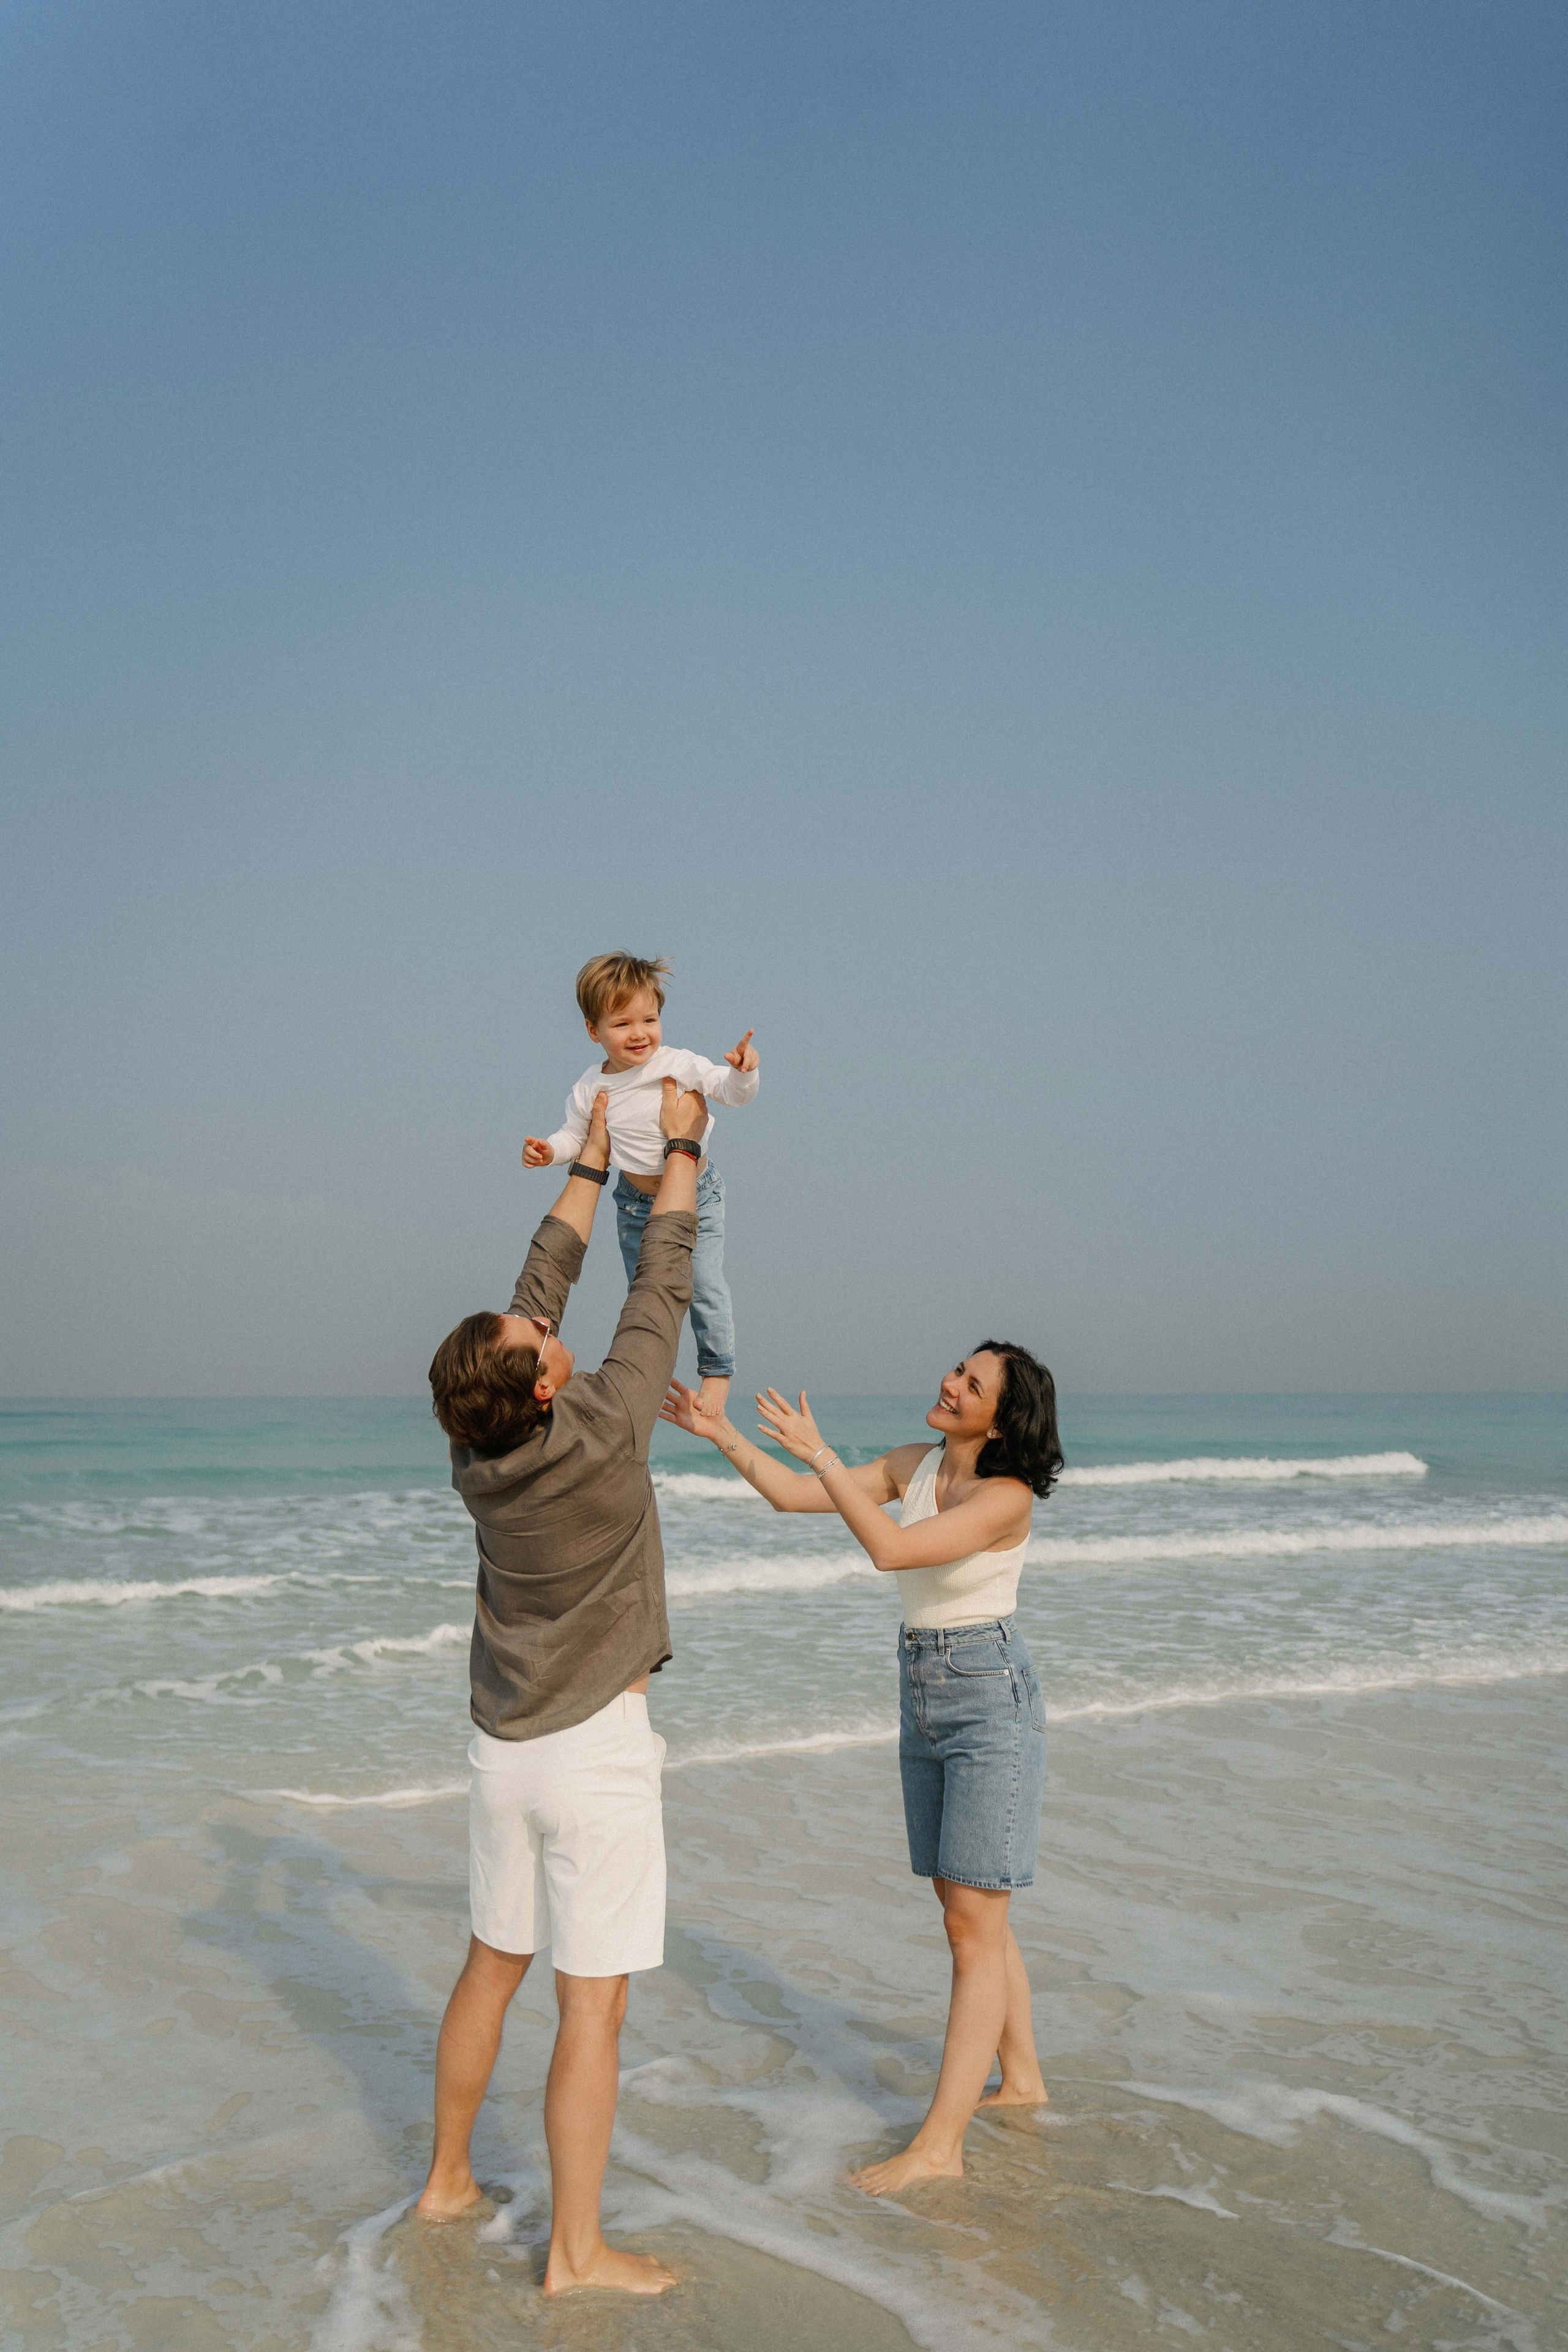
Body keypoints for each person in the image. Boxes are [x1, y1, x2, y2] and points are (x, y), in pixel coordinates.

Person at [417, 1076, 709, 2297]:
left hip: (500, 1750)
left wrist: (592, 1158)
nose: (542, 1325)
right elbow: (662, 1286)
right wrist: (683, 1145)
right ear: (540, 1384)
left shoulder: (473, 1447)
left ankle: (444, 2182)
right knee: (590, 2011)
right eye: (535, 1341)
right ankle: (575, 2254)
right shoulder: (606, 1423)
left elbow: (544, 1288)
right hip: (593, 1755)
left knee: (493, 1961)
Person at [660, 1341, 1063, 2196]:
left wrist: (824, 1454)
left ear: (1004, 1415)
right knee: (967, 1904)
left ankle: (940, 2147)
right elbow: (791, 1498)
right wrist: (720, 1432)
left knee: (972, 1920)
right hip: (925, 1687)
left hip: (989, 1694)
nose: (951, 1383)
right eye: (958, 1369)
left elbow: (891, 1550)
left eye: (974, 1384)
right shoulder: (917, 1463)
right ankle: (1022, 2079)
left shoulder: (1004, 1497)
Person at [521, 950, 759, 1422]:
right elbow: (579, 1136)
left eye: (649, 1019)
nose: (639, 1033)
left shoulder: (678, 1063)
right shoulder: (590, 1086)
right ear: (594, 1030)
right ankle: (654, 1374)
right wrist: (550, 1151)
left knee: (705, 1283)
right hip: (633, 1203)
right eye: (622, 1023)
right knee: (647, 1295)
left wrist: (743, 1072)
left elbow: (730, 1095)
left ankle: (717, 1370)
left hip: (698, 1192)